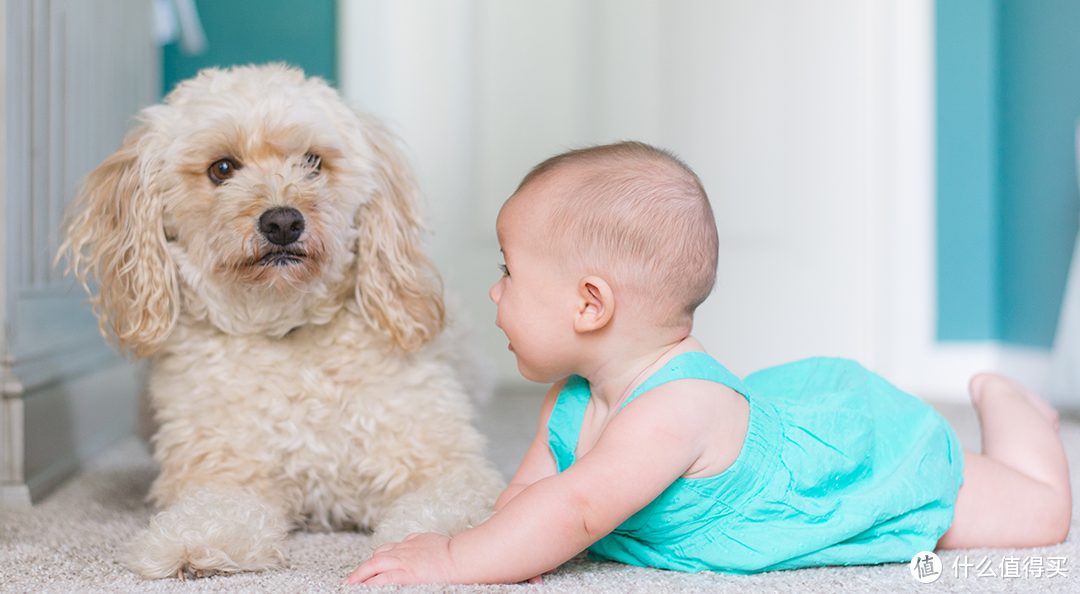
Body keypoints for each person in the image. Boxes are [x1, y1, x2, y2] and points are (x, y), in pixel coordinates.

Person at [345, 141, 1072, 586]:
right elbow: (532, 501)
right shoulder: (570, 400)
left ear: (589, 305)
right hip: (768, 420)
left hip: (853, 460)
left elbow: (576, 509)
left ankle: (1008, 403)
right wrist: (500, 548)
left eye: (510, 274)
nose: (495, 291)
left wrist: (453, 560)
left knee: (1039, 516)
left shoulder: (672, 411)